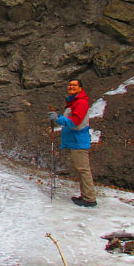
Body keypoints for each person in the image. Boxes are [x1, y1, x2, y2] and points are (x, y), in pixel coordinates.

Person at [48, 78, 97, 207]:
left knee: (83, 169)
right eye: (70, 85)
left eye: (75, 85)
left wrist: (58, 118)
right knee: (81, 169)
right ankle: (86, 196)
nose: (71, 87)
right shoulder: (75, 102)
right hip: (77, 141)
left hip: (79, 141)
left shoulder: (80, 102)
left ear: (80, 88)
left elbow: (75, 122)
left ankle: (89, 198)